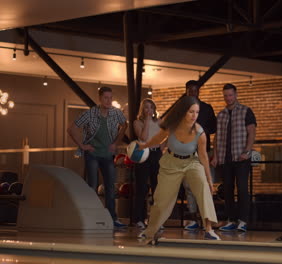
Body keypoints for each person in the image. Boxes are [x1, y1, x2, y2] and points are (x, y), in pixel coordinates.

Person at [137, 95, 220, 243]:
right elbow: (158, 139)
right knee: (161, 199)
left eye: (197, 112)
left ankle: (209, 230)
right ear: (183, 112)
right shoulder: (172, 125)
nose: (194, 116)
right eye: (191, 112)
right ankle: (150, 230)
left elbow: (203, 157)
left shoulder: (200, 132)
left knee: (203, 188)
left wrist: (209, 179)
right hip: (171, 163)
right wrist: (144, 145)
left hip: (191, 162)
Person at [67, 86, 128, 228]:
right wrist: (82, 146)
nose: (109, 101)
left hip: (108, 155)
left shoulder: (116, 113)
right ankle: (90, 217)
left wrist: (116, 143)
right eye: (106, 98)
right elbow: (71, 129)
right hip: (93, 154)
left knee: (110, 187)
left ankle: (112, 218)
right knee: (92, 186)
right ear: (100, 98)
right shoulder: (90, 114)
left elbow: (125, 125)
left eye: (110, 98)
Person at [211, 83, 256, 232]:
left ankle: (243, 221)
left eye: (230, 95)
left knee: (242, 189)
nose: (228, 98)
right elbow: (217, 137)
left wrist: (247, 151)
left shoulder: (246, 111)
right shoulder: (221, 114)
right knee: (227, 190)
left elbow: (252, 132)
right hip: (225, 159)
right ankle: (231, 220)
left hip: (241, 158)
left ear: (236, 95)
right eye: (225, 95)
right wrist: (216, 156)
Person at [183, 80, 217, 231]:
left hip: (203, 151)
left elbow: (213, 128)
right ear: (186, 91)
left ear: (198, 91)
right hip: (186, 152)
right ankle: (193, 219)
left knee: (205, 185)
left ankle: (207, 218)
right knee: (189, 186)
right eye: (190, 90)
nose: (192, 92)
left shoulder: (207, 109)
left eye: (195, 90)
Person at [133, 98, 163, 229]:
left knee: (157, 188)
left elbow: (167, 134)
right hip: (143, 154)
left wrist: (162, 147)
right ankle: (139, 218)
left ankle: (156, 220)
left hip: (156, 154)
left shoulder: (160, 122)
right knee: (142, 188)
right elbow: (144, 138)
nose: (149, 110)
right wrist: (147, 121)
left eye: (151, 107)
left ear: (154, 109)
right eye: (146, 107)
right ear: (143, 110)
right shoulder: (137, 122)